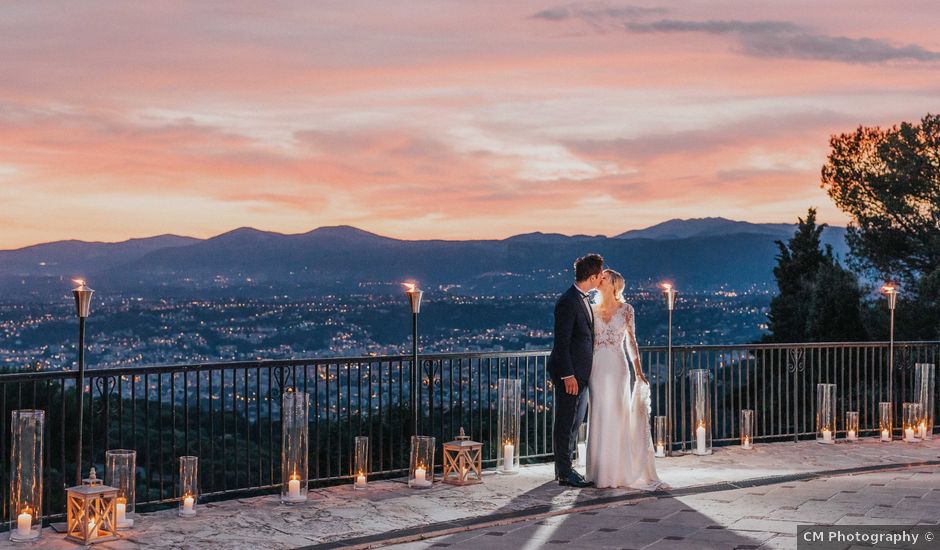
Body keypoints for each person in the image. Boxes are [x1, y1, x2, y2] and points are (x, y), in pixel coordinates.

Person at [586, 268, 664, 490]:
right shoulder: (591, 309)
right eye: (600, 277)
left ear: (614, 284)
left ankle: (617, 471)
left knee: (618, 413)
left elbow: (632, 342)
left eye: (605, 277)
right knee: (599, 412)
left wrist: (638, 371)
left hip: (619, 367)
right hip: (597, 367)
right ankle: (598, 471)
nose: (600, 279)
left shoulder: (626, 310)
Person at [547, 253, 605, 487]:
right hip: (569, 374)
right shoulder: (568, 301)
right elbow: (561, 343)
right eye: (600, 274)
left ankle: (565, 468)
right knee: (565, 422)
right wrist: (568, 375)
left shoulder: (583, 299)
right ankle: (564, 472)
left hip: (581, 375)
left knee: (574, 422)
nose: (602, 277)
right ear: (592, 277)